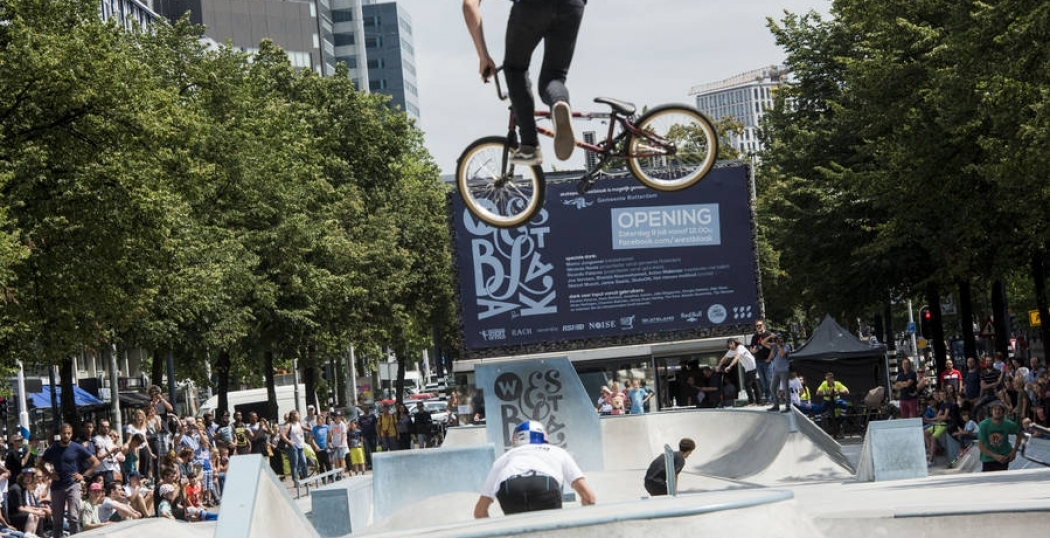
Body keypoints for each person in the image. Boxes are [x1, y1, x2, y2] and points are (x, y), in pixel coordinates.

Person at [462, 0, 586, 165]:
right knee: (554, 76)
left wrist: (483, 56)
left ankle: (529, 146)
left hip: (531, 6)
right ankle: (559, 102)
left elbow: (469, 5)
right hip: (572, 5)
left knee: (515, 69)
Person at [473, 421, 595, 518]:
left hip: (510, 487)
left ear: (515, 440)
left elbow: (479, 512)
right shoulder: (558, 451)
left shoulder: (504, 458)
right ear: (544, 437)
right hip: (545, 484)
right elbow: (589, 497)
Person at [40, 422, 101, 535]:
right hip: (57, 487)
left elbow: (95, 462)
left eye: (68, 433)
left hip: (73, 485)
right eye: (64, 433)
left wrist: (83, 475)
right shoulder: (53, 448)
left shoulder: (77, 447)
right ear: (60, 434)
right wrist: (50, 474)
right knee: (57, 521)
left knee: (73, 517)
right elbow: (40, 464)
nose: (66, 436)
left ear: (72, 434)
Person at [977, 400, 1022, 472]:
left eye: (999, 409)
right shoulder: (984, 425)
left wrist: (1014, 451)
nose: (997, 411)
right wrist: (995, 456)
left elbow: (1019, 434)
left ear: (1003, 412)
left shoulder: (1008, 424)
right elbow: (981, 445)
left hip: (1003, 458)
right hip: (988, 458)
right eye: (995, 409)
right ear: (991, 411)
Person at [717, 339, 759, 406]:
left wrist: (730, 366)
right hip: (747, 369)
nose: (730, 345)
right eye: (729, 344)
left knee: (747, 384)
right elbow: (724, 359)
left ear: (735, 343)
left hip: (753, 366)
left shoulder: (740, 347)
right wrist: (718, 366)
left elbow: (736, 358)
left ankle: (752, 402)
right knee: (754, 385)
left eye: (731, 343)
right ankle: (758, 402)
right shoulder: (731, 351)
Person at [750, 320, 775, 405]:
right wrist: (753, 350)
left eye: (760, 325)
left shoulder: (769, 334)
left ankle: (772, 398)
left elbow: (773, 348)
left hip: (767, 361)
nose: (758, 327)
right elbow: (751, 348)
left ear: (763, 325)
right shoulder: (754, 337)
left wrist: (769, 358)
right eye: (757, 326)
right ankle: (768, 398)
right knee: (763, 382)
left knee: (769, 380)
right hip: (758, 361)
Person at [280, 410, 308, 485]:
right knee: (294, 464)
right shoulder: (289, 425)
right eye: (297, 415)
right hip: (293, 447)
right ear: (293, 416)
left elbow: (304, 428)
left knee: (304, 463)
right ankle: (295, 481)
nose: (299, 416)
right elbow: (282, 435)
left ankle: (306, 480)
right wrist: (289, 442)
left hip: (300, 446)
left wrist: (311, 429)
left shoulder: (298, 423)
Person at [767, 334, 792, 412]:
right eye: (778, 338)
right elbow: (763, 343)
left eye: (780, 338)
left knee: (786, 389)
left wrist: (778, 345)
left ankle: (788, 407)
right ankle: (776, 405)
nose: (779, 340)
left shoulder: (786, 346)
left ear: (782, 339)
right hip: (776, 371)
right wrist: (770, 337)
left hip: (784, 370)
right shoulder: (774, 345)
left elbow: (782, 354)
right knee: (772, 388)